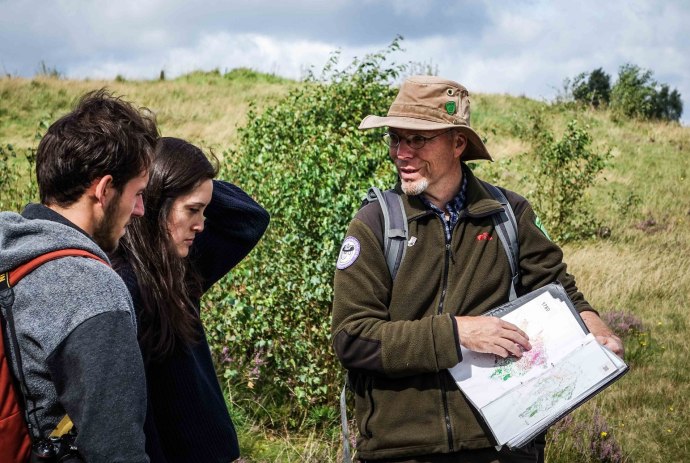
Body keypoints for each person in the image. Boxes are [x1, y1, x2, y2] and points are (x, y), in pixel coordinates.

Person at [331, 76, 624, 463]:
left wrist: (597, 329)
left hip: (505, 447)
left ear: (458, 143)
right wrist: (458, 333)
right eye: (396, 139)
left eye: (418, 139)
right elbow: (353, 339)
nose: (402, 152)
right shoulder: (375, 224)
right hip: (401, 450)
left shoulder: (509, 214)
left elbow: (559, 290)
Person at [0, 89, 157, 462]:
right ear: (103, 190)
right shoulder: (90, 288)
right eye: (137, 193)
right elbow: (116, 447)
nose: (140, 210)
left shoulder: (11, 253)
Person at [110, 137, 270, 462]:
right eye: (193, 210)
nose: (201, 225)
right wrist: (156, 177)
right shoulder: (127, 285)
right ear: (155, 201)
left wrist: (191, 175)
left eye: (205, 210)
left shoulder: (179, 269)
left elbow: (251, 218)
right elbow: (135, 412)